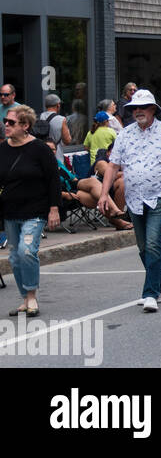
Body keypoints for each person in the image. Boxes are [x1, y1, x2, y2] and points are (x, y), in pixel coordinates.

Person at [99, 89, 161, 313]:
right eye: (135, 108)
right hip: (134, 198)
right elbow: (113, 165)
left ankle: (150, 293)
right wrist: (104, 194)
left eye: (143, 107)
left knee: (153, 242)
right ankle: (158, 286)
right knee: (143, 247)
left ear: (153, 110)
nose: (138, 111)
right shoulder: (124, 134)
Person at [1, 105, 60, 318]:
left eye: (11, 122)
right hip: (10, 211)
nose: (6, 125)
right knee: (15, 258)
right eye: (5, 122)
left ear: (25, 126)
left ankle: (32, 295)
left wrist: (54, 208)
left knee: (26, 251)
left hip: (35, 211)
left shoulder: (40, 149)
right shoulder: (2, 149)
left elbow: (53, 179)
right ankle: (24, 297)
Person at [38, 94, 72, 159]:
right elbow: (67, 141)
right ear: (58, 105)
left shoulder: (38, 117)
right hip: (56, 155)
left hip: (41, 154)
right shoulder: (61, 119)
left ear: (46, 105)